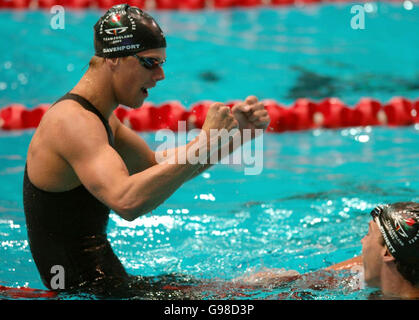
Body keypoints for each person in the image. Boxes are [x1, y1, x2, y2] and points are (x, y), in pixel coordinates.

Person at [23, 4, 270, 297]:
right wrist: (205, 143)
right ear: (114, 59)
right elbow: (127, 201)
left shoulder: (98, 118)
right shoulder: (73, 122)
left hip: (106, 288)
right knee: (266, 290)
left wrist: (235, 136)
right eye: (150, 63)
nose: (161, 74)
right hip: (90, 294)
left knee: (259, 287)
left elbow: (154, 167)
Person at [234, 202, 419, 299]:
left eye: (369, 233)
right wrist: (295, 282)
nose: (362, 241)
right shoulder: (388, 275)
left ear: (387, 253)